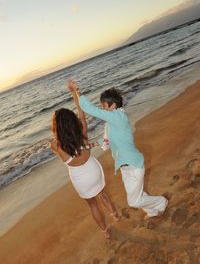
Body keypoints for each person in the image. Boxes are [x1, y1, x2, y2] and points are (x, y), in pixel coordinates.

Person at [68, 80, 168, 219]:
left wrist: (77, 91)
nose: (102, 108)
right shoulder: (112, 123)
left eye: (104, 106)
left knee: (133, 201)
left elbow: (90, 109)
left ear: (113, 105)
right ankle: (152, 211)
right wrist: (90, 145)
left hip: (134, 165)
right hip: (124, 167)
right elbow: (108, 142)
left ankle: (161, 202)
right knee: (138, 195)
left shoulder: (118, 117)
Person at [50, 81, 120, 239]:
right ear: (73, 121)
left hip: (80, 179)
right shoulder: (82, 131)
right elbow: (81, 111)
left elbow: (58, 140)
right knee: (103, 193)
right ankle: (115, 215)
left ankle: (105, 232)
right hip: (93, 170)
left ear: (57, 127)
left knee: (93, 204)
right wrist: (74, 92)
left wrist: (59, 131)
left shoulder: (55, 145)